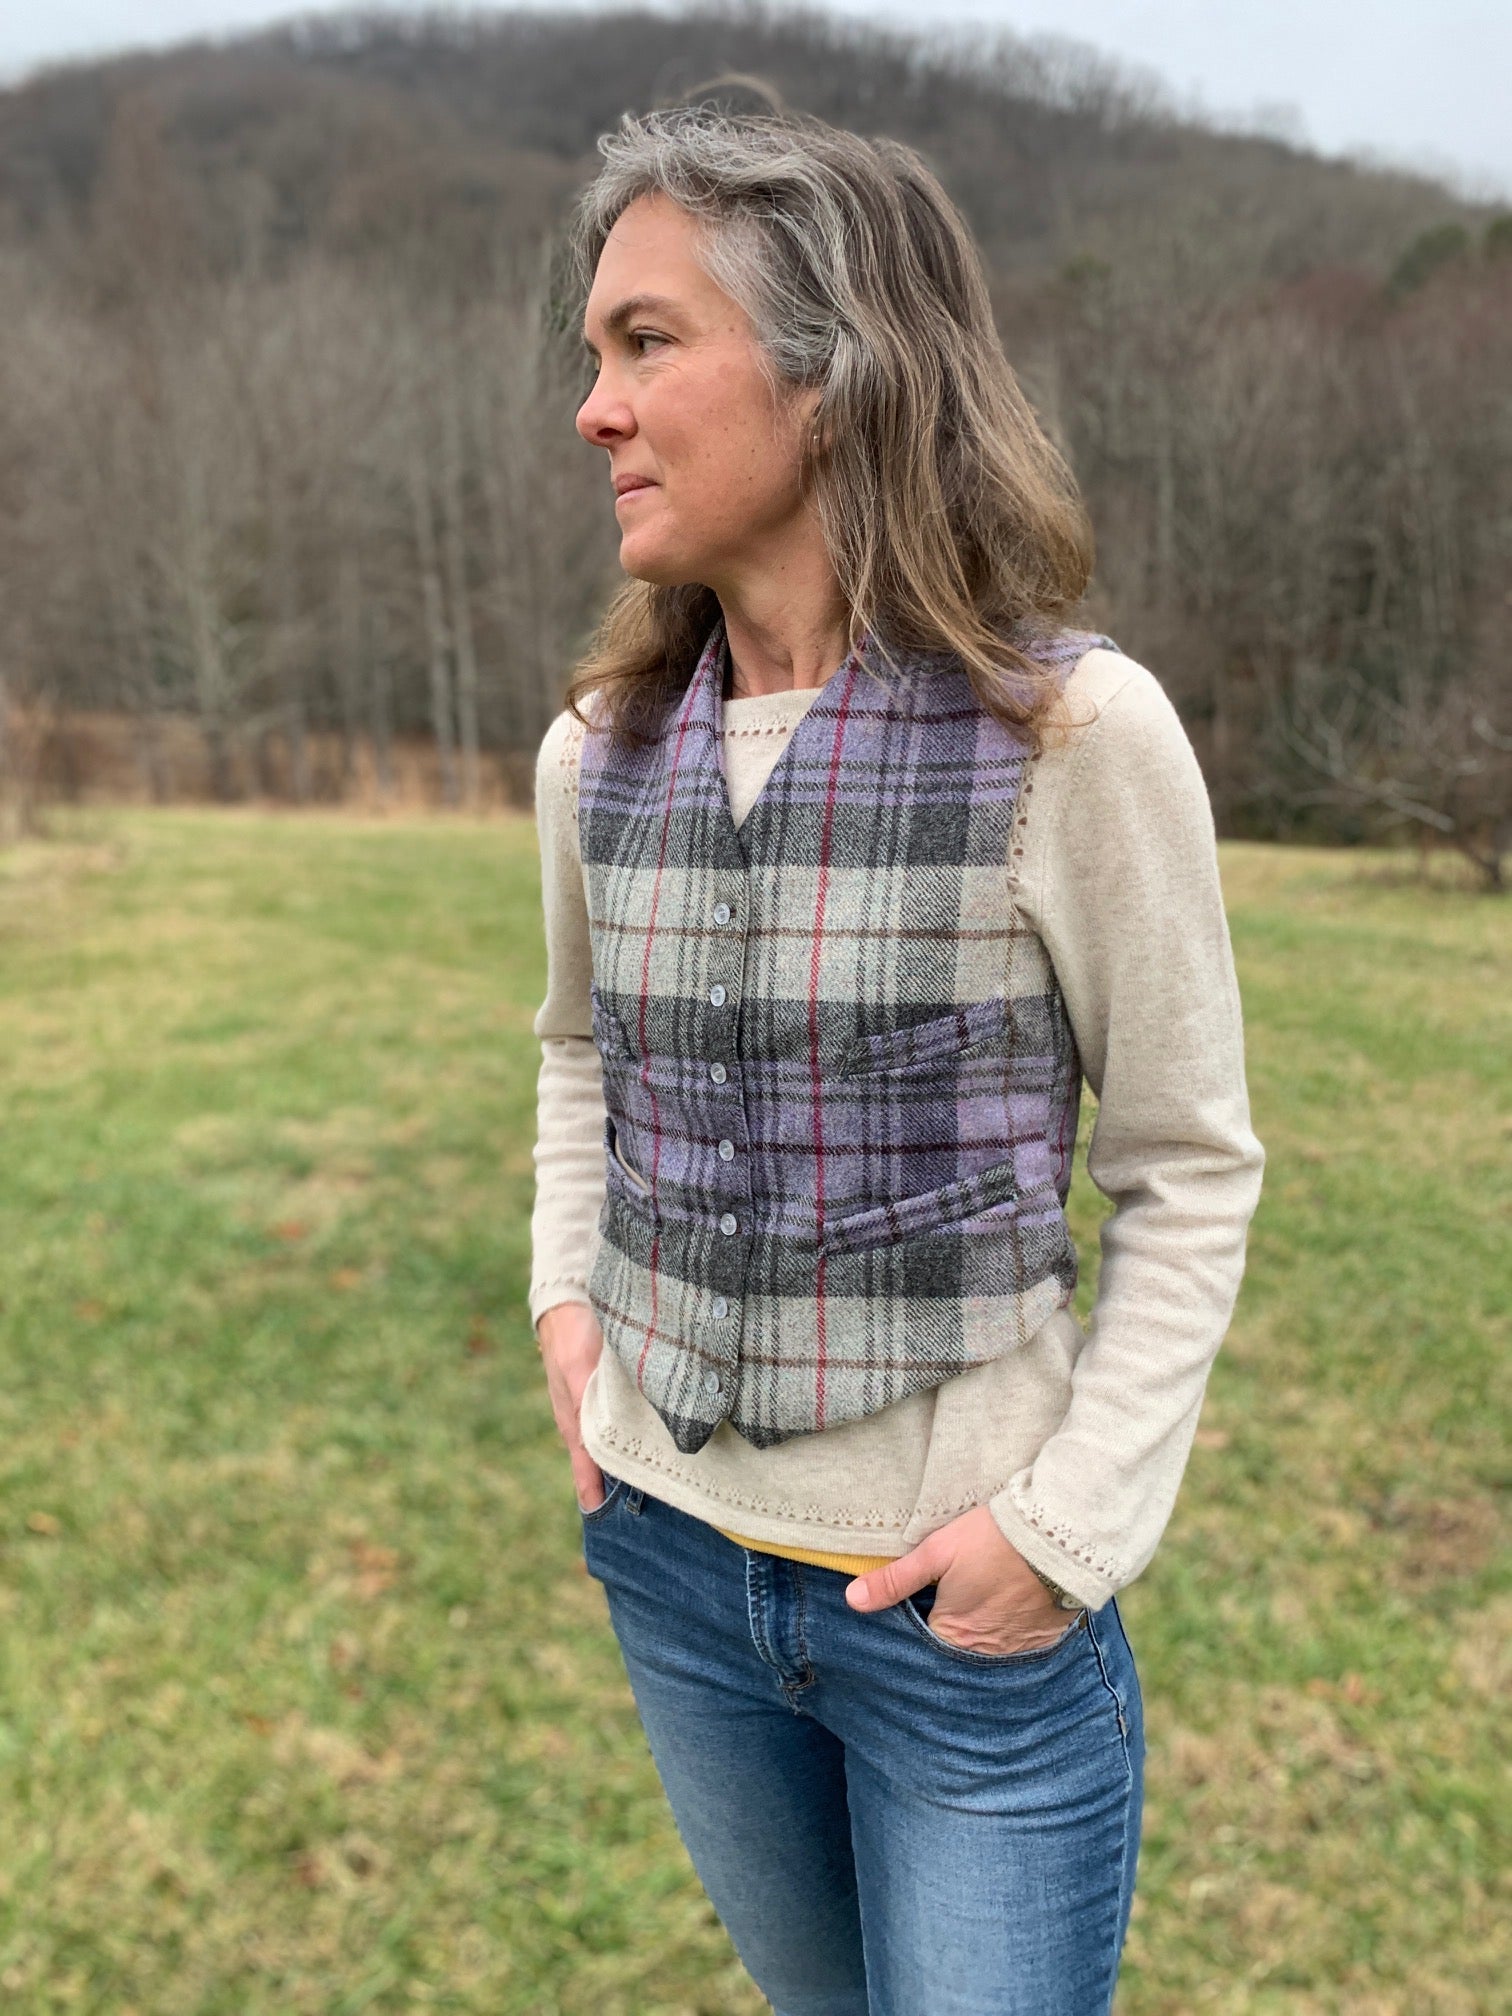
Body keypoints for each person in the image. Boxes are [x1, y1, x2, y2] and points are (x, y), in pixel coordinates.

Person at [528, 100, 1264, 2016]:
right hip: (677, 1579)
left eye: (647, 343)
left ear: (837, 372)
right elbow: (577, 1058)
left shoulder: (1071, 738)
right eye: (591, 356)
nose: (594, 409)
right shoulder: (593, 752)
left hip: (964, 1631)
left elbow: (1188, 1164)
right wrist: (566, 1306)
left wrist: (1065, 1531)